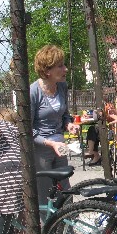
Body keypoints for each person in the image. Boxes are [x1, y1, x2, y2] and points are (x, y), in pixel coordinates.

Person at [30, 45, 79, 206]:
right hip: (42, 150)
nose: (65, 69)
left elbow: (65, 114)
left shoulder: (62, 87)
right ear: (47, 70)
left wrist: (68, 124)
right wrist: (50, 143)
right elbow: (27, 130)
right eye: (60, 66)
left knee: (65, 189)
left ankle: (68, 227)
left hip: (60, 146)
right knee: (44, 192)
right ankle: (47, 229)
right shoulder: (33, 92)